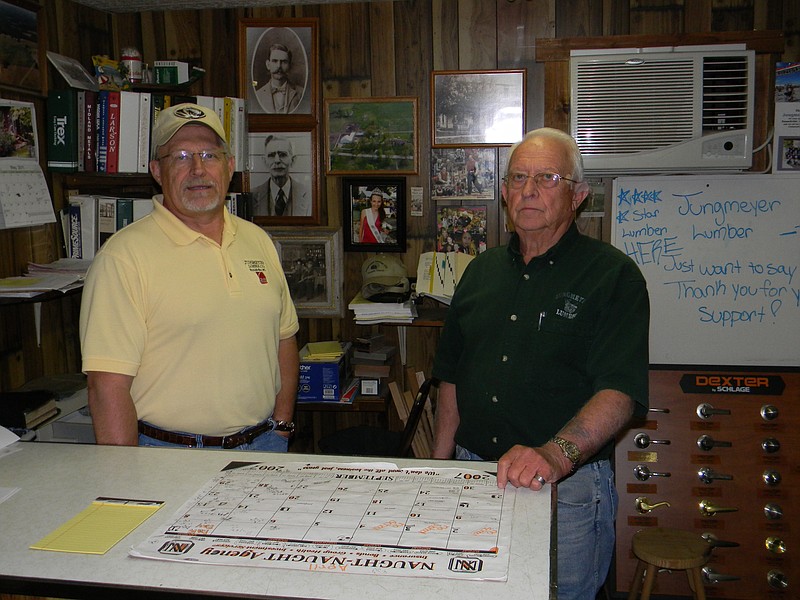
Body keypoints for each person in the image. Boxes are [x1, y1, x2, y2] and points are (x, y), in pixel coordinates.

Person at [431, 127, 650, 599]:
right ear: (505, 191)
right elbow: (451, 377)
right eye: (518, 178)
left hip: (563, 493)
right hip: (473, 479)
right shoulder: (479, 271)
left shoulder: (613, 276)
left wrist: (553, 455)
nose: (529, 191)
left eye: (547, 178)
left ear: (578, 196)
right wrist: (439, 470)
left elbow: (620, 393)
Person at [79, 103, 300, 451]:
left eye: (209, 155)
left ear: (229, 167)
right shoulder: (123, 258)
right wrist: (123, 478)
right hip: (169, 454)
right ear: (156, 170)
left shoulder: (257, 240)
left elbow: (284, 339)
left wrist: (282, 426)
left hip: (263, 444)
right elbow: (106, 385)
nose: (198, 169)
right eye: (180, 156)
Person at [251, 134, 311, 216]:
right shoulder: (253, 195)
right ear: (265, 161)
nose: (277, 161)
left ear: (293, 160)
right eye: (271, 155)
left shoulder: (308, 195)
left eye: (282, 155)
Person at [254, 42, 302, 114]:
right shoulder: (258, 95)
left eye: (284, 62)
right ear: (268, 65)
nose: (279, 66)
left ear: (289, 66)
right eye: (275, 61)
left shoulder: (301, 93)